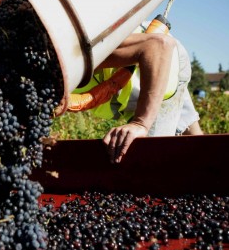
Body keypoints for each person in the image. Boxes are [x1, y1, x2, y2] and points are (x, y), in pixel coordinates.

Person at [64, 17, 203, 164]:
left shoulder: (78, 61)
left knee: (148, 159)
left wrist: (140, 124)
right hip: (141, 77)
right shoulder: (55, 86)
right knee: (204, 147)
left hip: (161, 64)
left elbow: (160, 46)